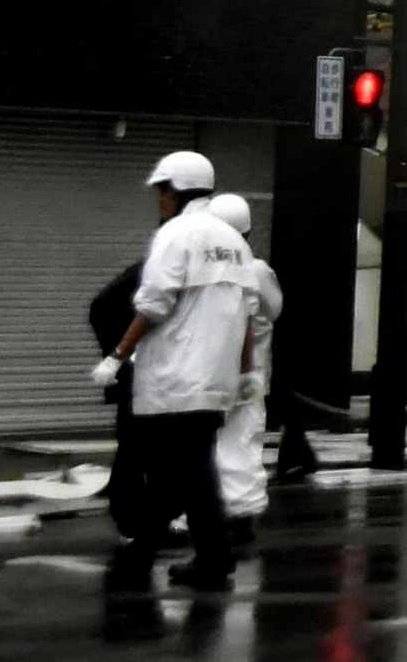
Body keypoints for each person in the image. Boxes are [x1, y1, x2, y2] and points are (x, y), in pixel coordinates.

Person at [95, 151, 252, 605]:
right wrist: (244, 373)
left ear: (177, 190)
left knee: (190, 468)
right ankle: (164, 543)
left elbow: (154, 303)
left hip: (177, 376)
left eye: (162, 190)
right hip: (214, 377)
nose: (159, 199)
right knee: (185, 465)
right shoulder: (232, 240)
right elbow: (245, 310)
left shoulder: (176, 235)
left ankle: (212, 559)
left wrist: (117, 355)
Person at [202, 194, 284, 551]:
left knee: (203, 445)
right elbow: (275, 309)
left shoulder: (202, 267)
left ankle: (201, 514)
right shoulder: (258, 270)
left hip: (207, 372)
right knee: (243, 443)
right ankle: (242, 516)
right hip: (251, 373)